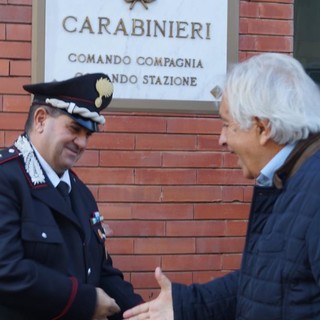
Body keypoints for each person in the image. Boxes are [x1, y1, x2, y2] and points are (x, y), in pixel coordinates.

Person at [123, 52, 320, 320]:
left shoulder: (311, 187)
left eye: (227, 125)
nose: (221, 139)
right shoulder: (288, 180)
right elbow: (267, 279)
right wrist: (185, 305)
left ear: (263, 128)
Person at [0, 73, 143, 320]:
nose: (82, 143)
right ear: (41, 119)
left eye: (88, 135)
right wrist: (84, 301)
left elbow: (102, 272)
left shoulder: (81, 194)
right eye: (74, 129)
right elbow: (7, 270)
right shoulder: (6, 179)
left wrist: (144, 313)